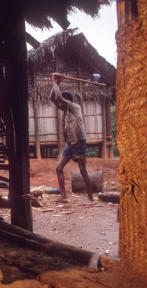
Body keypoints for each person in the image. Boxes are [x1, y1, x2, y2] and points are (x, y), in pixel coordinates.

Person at [49, 73, 93, 203]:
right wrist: (57, 82)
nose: (58, 104)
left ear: (66, 101)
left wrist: (55, 82)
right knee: (58, 168)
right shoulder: (65, 111)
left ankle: (90, 197)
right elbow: (52, 97)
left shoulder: (75, 107)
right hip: (70, 144)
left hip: (79, 143)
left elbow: (58, 96)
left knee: (82, 170)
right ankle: (63, 196)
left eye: (60, 102)